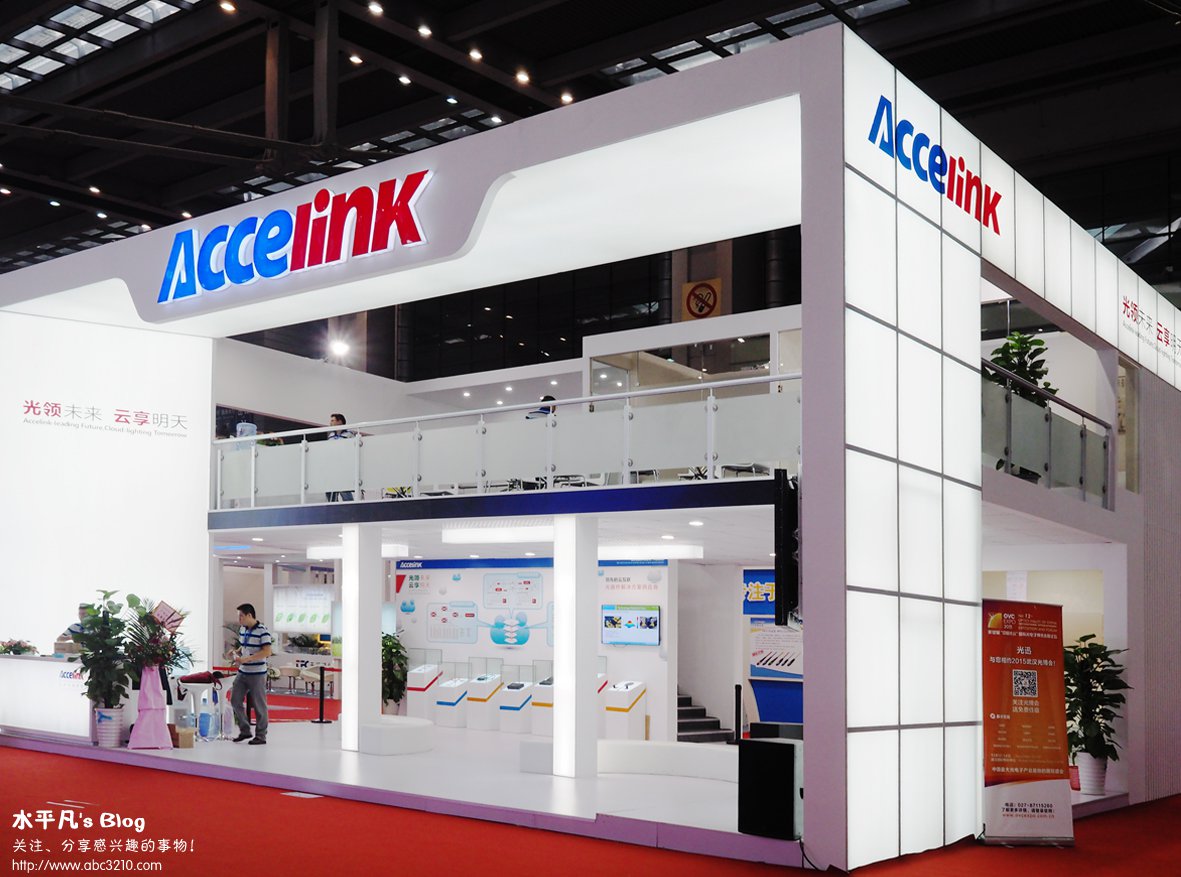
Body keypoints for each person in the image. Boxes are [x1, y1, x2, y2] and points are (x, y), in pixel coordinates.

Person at [229, 603, 272, 745]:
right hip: (243, 672)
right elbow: (244, 646)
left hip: (257, 673)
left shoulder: (262, 631)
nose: (239, 619)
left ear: (249, 615)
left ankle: (261, 736)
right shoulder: (243, 630)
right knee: (235, 700)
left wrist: (247, 659)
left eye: (241, 616)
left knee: (259, 705)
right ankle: (245, 730)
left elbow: (267, 651)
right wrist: (236, 652)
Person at [326, 413, 355, 501]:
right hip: (332, 467)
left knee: (344, 491)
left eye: (333, 420)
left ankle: (351, 507)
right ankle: (333, 507)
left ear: (340, 421)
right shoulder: (331, 435)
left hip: (344, 468)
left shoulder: (349, 435)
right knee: (329, 491)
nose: (330, 423)